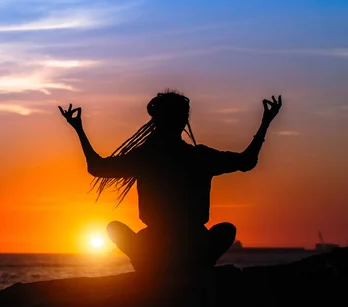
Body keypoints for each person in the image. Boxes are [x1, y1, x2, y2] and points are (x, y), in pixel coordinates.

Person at [59, 90, 282, 277]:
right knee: (225, 230)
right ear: (183, 121)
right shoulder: (199, 156)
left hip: (156, 244)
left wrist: (78, 128)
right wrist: (265, 124)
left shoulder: (145, 157)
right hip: (192, 243)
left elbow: (97, 167)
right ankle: (195, 266)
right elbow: (246, 161)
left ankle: (150, 266)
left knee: (114, 229)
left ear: (156, 121)